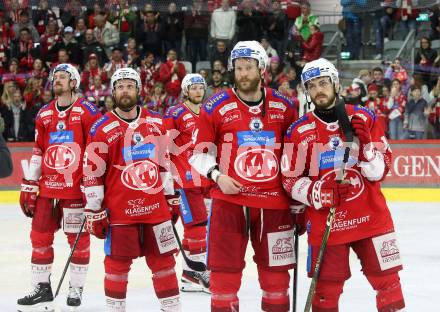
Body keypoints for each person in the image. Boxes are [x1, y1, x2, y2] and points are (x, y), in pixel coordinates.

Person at [281, 58, 405, 312]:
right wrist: (318, 192)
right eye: (312, 86)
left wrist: (368, 150)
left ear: (336, 83)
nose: (319, 90)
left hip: (370, 219)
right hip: (327, 223)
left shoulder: (364, 117)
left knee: (389, 286)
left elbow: (380, 172)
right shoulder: (298, 130)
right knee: (325, 294)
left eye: (323, 82)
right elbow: (289, 179)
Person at [189, 41, 298, 311]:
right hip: (229, 202)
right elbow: (198, 154)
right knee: (223, 277)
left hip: (274, 205)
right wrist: (217, 175)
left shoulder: (285, 105)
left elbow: (297, 154)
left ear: (261, 69)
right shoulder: (215, 105)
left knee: (276, 279)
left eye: (249, 67)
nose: (243, 73)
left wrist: (298, 200)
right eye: (238, 68)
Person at [83, 67, 181, 312]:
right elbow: (93, 174)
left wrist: (171, 197)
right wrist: (94, 209)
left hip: (156, 210)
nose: (124, 91)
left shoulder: (157, 122)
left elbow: (165, 164)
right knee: (116, 267)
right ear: (113, 92)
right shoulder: (101, 128)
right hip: (120, 213)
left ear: (138, 90)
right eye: (120, 87)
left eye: (129, 86)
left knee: (165, 264)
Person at [17, 63, 102, 311]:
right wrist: (30, 184)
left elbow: (95, 153)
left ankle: (76, 288)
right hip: (47, 190)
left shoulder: (88, 111)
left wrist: (92, 185)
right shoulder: (44, 113)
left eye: (63, 77)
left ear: (74, 82)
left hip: (75, 190)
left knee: (78, 239)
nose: (57, 80)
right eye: (55, 77)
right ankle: (41, 288)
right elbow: (38, 151)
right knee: (39, 237)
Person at [164, 74, 211, 293]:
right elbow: (164, 146)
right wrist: (167, 181)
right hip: (184, 177)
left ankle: (189, 273)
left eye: (201, 87)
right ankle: (200, 272)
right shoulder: (176, 113)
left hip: (205, 176)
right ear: (185, 91)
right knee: (197, 225)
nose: (198, 91)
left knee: (198, 226)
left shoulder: (208, 112)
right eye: (193, 88)